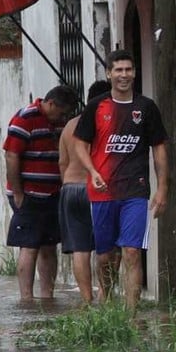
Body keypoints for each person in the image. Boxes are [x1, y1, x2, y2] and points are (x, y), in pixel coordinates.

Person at [73, 50, 169, 310]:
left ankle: (131, 314)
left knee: (131, 251)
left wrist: (162, 189)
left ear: (135, 73)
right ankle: (105, 298)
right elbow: (80, 143)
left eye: (128, 69)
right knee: (105, 255)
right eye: (118, 70)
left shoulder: (146, 108)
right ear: (109, 73)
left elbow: (159, 148)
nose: (124, 75)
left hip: (135, 191)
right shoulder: (97, 106)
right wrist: (93, 172)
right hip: (102, 192)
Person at [3, 85, 79, 301]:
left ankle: (48, 296)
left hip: (54, 193)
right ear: (51, 104)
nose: (63, 117)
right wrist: (18, 193)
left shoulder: (61, 123)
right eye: (62, 112)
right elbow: (11, 156)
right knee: (29, 245)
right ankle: (26, 299)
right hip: (28, 194)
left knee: (48, 245)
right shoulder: (24, 119)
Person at [58, 80, 112, 303]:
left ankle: (87, 299)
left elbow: (62, 162)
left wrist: (68, 183)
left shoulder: (70, 125)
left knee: (80, 249)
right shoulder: (107, 123)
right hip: (96, 190)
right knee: (106, 247)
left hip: (70, 189)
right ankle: (105, 296)